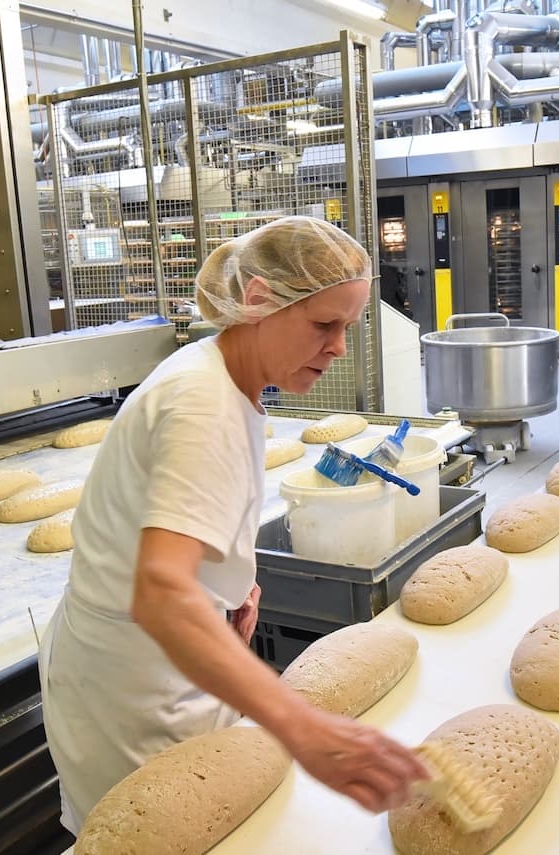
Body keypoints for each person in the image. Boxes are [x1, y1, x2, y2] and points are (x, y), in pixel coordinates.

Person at [38, 215, 428, 834]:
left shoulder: (224, 377)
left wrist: (225, 590)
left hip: (165, 662)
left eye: (348, 327)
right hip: (137, 686)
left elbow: (171, 534)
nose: (338, 347)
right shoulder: (205, 404)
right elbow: (161, 595)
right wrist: (303, 728)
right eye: (324, 324)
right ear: (257, 302)